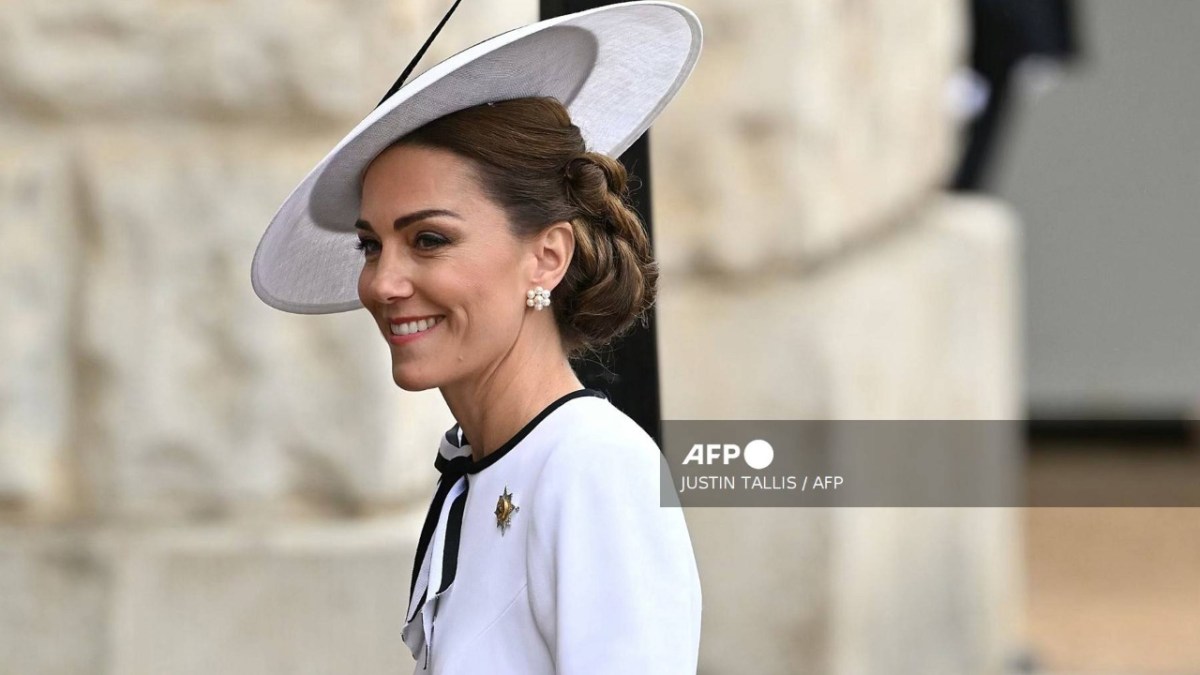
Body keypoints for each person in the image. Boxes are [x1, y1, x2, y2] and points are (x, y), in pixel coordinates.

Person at [250, 3, 704, 673]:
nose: (382, 283)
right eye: (373, 245)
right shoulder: (477, 472)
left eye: (429, 239)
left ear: (547, 256)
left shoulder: (592, 467)